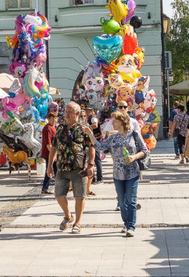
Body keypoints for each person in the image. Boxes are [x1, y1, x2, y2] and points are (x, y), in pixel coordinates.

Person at [96, 111, 148, 237]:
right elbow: (100, 146)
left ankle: (131, 226)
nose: (112, 123)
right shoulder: (113, 137)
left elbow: (145, 151)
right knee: (122, 201)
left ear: (121, 122)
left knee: (130, 200)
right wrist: (90, 135)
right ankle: (125, 223)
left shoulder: (134, 135)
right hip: (118, 174)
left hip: (132, 172)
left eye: (114, 121)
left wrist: (134, 157)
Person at [52, 101, 95, 234]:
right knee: (59, 195)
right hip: (61, 167)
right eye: (66, 112)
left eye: (70, 112)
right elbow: (54, 147)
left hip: (79, 168)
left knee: (79, 196)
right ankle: (67, 215)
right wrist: (49, 166)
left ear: (77, 113)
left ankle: (77, 222)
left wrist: (91, 164)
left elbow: (91, 147)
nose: (67, 114)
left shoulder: (84, 127)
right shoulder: (60, 128)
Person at [40, 109, 58, 194]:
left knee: (54, 170)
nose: (54, 120)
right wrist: (53, 155)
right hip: (49, 154)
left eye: (55, 118)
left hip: (53, 153)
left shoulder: (53, 128)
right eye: (52, 118)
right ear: (49, 119)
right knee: (51, 170)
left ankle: (46, 188)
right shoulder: (47, 128)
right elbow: (48, 144)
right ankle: (45, 188)